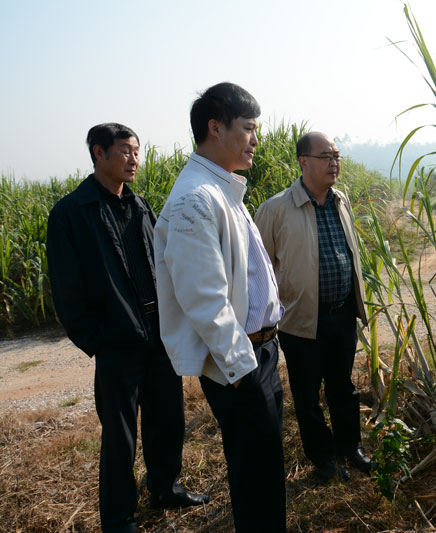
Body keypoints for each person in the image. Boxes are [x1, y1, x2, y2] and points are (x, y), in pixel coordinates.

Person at [47, 123, 208, 533]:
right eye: (125, 151)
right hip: (116, 345)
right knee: (120, 438)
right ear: (98, 153)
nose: (134, 159)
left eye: (137, 151)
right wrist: (97, 340)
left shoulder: (140, 206)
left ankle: (165, 488)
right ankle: (119, 518)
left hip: (158, 336)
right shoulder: (72, 213)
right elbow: (66, 288)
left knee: (168, 420)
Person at [154, 83, 285, 532]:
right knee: (255, 473)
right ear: (215, 127)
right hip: (241, 361)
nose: (255, 140)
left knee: (265, 465)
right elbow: (204, 297)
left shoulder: (221, 189)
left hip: (259, 353)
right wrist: (242, 368)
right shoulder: (195, 198)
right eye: (248, 129)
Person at [255, 131, 370, 482]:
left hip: (342, 314)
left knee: (343, 387)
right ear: (303, 162)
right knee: (307, 395)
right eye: (326, 156)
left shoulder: (340, 200)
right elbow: (258, 268)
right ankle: (323, 458)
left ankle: (350, 447)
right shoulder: (276, 209)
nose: (334, 162)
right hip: (302, 321)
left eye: (337, 155)